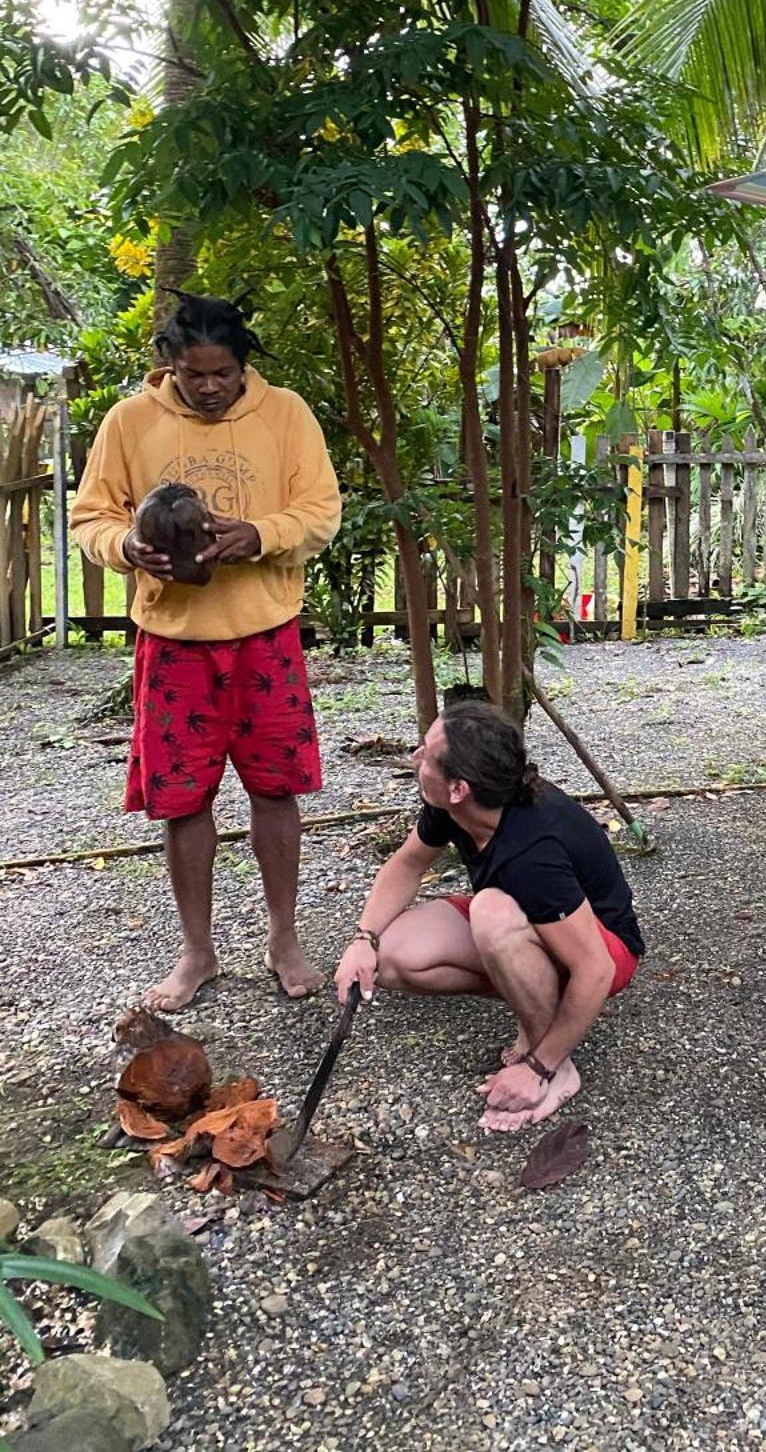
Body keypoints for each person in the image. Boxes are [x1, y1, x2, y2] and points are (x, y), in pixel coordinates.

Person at [72, 293, 341, 1012]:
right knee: (182, 801)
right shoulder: (129, 422)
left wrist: (259, 534)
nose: (212, 387)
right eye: (196, 376)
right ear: (171, 365)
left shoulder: (287, 415)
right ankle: (197, 951)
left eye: (223, 374)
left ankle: (283, 938)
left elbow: (322, 510)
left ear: (242, 364)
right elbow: (89, 516)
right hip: (174, 643)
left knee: (276, 790)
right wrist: (125, 547)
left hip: (267, 633)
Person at [334, 700, 643, 1132]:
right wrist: (363, 939)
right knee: (391, 958)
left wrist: (539, 1066)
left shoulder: (534, 852)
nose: (415, 759)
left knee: (492, 912)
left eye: (425, 752)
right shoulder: (455, 805)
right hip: (536, 924)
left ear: (459, 788)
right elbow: (408, 864)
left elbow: (595, 968)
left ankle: (556, 1064)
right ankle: (536, 1003)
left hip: (604, 946)